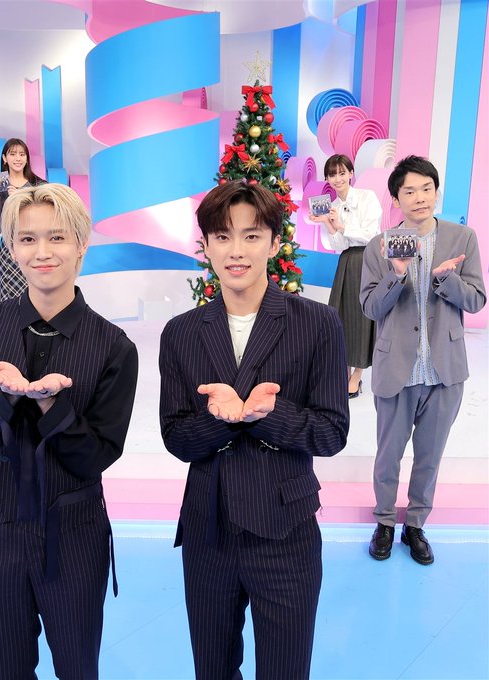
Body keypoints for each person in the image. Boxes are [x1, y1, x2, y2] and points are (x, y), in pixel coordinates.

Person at [0, 183, 139, 679]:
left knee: (77, 667)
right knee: (6, 667)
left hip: (74, 533)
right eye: (27, 239)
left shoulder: (114, 347)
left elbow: (96, 456)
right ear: (12, 247)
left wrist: (50, 405)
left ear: (81, 245)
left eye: (57, 237)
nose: (42, 252)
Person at [159, 181, 349, 680]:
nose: (236, 251)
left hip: (285, 530)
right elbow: (176, 437)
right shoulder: (181, 332)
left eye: (251, 235)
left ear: (274, 242)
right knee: (212, 670)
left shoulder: (318, 324)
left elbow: (332, 432)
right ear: (206, 245)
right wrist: (219, 419)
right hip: (208, 530)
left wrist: (271, 413)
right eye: (222, 237)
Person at [360, 156, 486, 565]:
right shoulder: (380, 246)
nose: (420, 197)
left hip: (444, 369)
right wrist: (396, 274)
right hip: (396, 368)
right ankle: (384, 521)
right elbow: (370, 308)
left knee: (430, 457)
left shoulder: (462, 238)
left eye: (426, 188)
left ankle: (415, 524)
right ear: (396, 199)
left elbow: (476, 299)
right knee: (388, 455)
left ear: (436, 191)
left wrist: (446, 279)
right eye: (409, 191)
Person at [310, 154, 382, 398]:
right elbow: (338, 245)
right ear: (327, 179)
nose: (337, 179)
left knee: (362, 316)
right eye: (332, 175)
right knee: (340, 314)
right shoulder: (332, 205)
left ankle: (357, 376)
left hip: (368, 259)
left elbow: (371, 234)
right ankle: (344, 371)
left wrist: (341, 224)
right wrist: (327, 223)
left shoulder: (367, 197)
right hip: (347, 259)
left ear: (351, 173)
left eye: (342, 173)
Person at [0, 138, 46, 300]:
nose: (18, 158)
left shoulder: (39, 186)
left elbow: (45, 220)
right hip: (9, 251)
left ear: (27, 158)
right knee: (10, 301)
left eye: (22, 154)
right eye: (13, 154)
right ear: (4, 158)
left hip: (35, 246)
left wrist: (21, 200)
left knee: (37, 294)